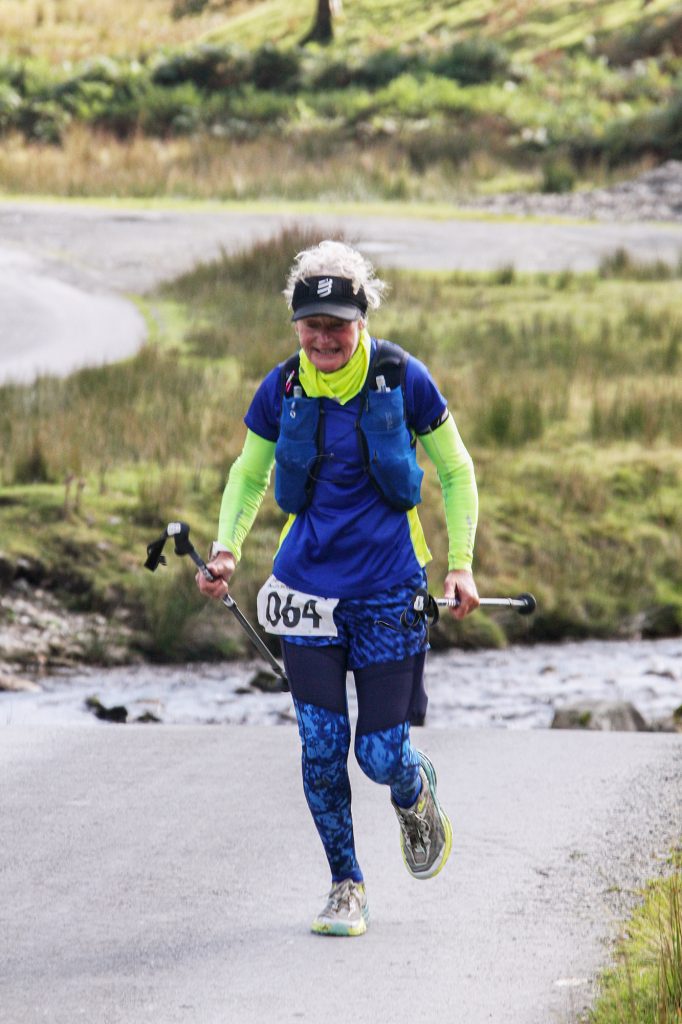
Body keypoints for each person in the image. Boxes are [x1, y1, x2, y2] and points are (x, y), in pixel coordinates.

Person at [197, 239, 479, 937]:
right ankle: (345, 886)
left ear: (362, 319)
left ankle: (415, 792)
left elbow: (456, 471)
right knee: (321, 749)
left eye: (337, 324)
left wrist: (460, 563)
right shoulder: (282, 388)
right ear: (295, 325)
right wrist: (227, 548)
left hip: (389, 590)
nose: (323, 338)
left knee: (380, 754)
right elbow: (248, 473)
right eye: (311, 324)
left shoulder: (402, 378)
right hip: (307, 597)